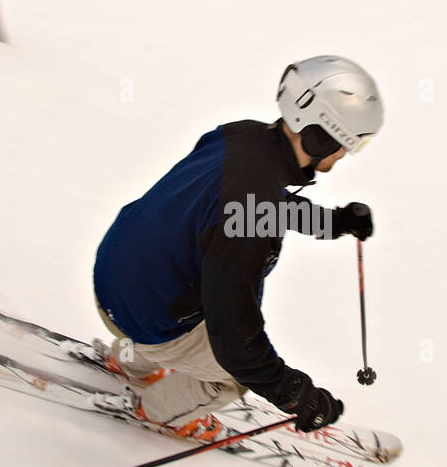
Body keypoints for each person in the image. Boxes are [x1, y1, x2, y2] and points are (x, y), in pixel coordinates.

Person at [93, 55, 384, 440]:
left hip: (115, 276)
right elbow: (235, 340)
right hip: (148, 316)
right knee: (233, 377)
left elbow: (250, 203)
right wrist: (295, 394)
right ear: (321, 135)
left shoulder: (241, 136)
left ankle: (128, 363)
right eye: (350, 142)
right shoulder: (251, 215)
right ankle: (157, 412)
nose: (347, 154)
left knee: (182, 297)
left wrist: (334, 222)